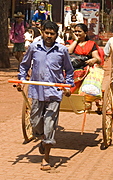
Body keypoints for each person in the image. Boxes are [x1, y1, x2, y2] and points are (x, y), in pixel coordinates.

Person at [16, 21, 74, 171]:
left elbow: (69, 70)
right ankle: (42, 139)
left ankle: (46, 158)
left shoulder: (62, 50)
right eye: (46, 33)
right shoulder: (34, 48)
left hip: (54, 93)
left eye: (52, 33)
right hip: (36, 91)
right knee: (35, 123)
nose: (49, 36)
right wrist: (21, 80)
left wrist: (68, 86)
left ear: (56, 35)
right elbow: (24, 65)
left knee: (50, 124)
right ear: (42, 32)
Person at [65, 23, 103, 93]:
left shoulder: (91, 44)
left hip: (85, 71)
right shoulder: (69, 42)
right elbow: (68, 52)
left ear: (85, 33)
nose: (76, 33)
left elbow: (98, 59)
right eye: (75, 31)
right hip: (70, 70)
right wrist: (76, 40)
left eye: (79, 31)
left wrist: (94, 59)